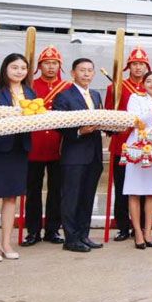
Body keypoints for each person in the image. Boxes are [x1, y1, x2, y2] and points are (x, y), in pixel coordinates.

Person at [0, 54, 35, 262]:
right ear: (5, 69)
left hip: (19, 149)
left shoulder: (29, 91)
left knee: (12, 197)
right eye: (15, 67)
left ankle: (6, 242)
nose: (19, 71)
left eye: (23, 68)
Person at [53, 58, 105, 253]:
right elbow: (58, 124)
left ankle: (83, 234)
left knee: (87, 197)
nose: (86, 74)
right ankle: (71, 238)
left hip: (94, 155)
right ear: (73, 73)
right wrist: (79, 132)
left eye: (90, 70)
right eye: (82, 70)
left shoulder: (95, 95)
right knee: (71, 197)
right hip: (74, 155)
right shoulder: (64, 96)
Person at [105, 46, 152, 242]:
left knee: (144, 188)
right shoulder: (115, 88)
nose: (138, 68)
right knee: (122, 187)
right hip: (122, 143)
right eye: (135, 64)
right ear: (128, 67)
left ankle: (141, 226)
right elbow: (108, 114)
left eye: (142, 64)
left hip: (148, 146)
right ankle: (123, 226)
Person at [24, 46, 69, 246]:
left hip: (58, 147)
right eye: (46, 63)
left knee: (56, 190)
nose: (50, 67)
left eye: (54, 63)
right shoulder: (29, 86)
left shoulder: (67, 87)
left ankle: (52, 229)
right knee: (32, 191)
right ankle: (32, 231)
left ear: (60, 66)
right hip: (33, 145)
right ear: (39, 66)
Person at [123, 71, 152, 249]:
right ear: (143, 84)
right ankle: (137, 231)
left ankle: (148, 231)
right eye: (148, 81)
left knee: (151, 192)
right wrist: (151, 113)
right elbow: (133, 121)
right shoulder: (136, 98)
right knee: (134, 192)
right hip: (137, 149)